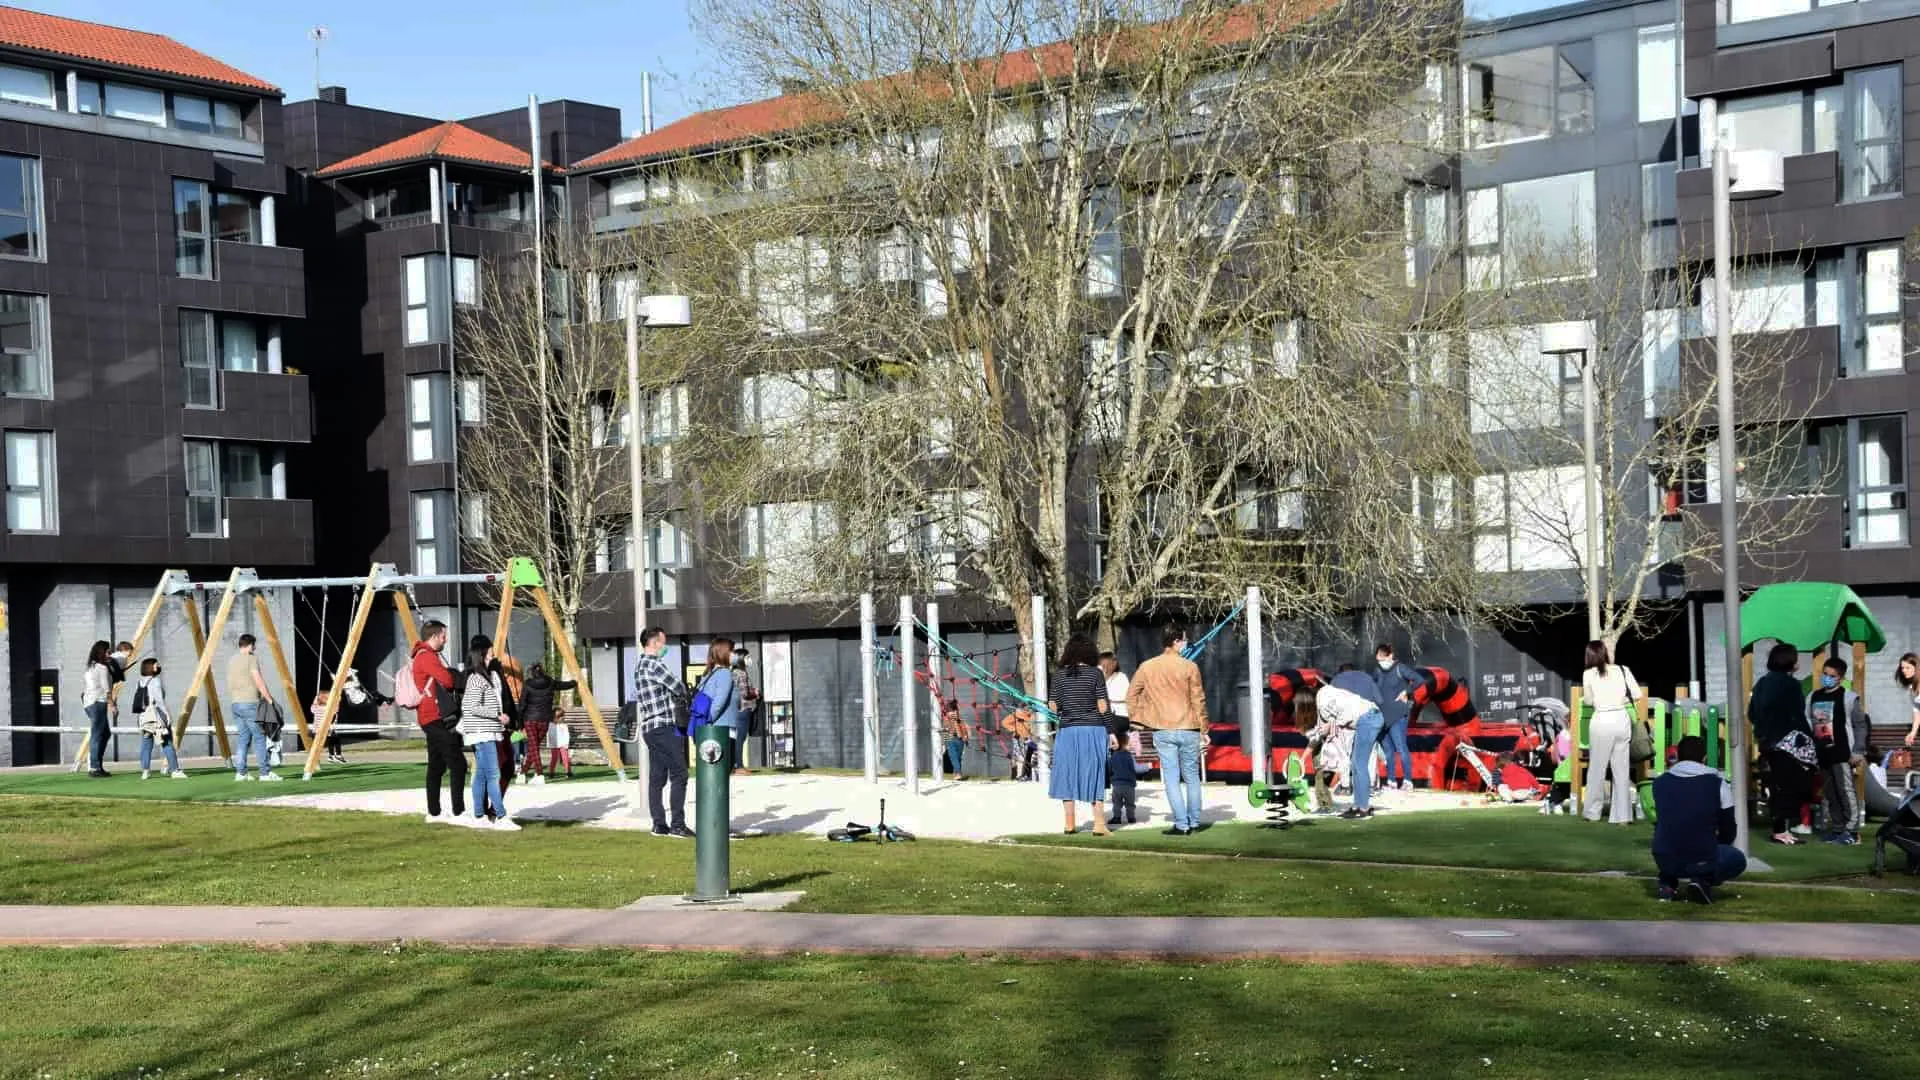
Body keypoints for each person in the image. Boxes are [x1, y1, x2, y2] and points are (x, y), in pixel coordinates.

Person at [1128, 625, 1209, 836]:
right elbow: (1198, 700)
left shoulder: (1148, 667)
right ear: (1175, 641)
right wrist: (1204, 729)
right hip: (1189, 727)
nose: (1186, 644)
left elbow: (1132, 694)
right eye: (1184, 640)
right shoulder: (1190, 667)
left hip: (1162, 727)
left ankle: (1182, 824)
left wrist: (1138, 719)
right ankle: (1194, 821)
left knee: (1172, 778)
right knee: (1192, 776)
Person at [1650, 735, 1746, 903]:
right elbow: (1729, 829)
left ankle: (1666, 885)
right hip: (1702, 857)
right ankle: (1702, 881)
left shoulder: (1659, 784)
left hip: (1664, 858)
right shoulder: (1717, 784)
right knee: (1736, 858)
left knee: (1672, 839)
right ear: (1704, 758)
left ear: (1678, 756)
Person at [1750, 642, 1817, 845]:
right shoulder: (1792, 685)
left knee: (1777, 784)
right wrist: (1809, 738)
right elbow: (1797, 715)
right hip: (1787, 742)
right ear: (1790, 662)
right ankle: (1781, 830)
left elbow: (1752, 713)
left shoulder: (1761, 683)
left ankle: (1780, 828)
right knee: (1790, 785)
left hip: (1767, 741)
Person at [1047, 635, 1113, 836]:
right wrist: (1110, 729)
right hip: (1093, 729)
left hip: (1067, 731)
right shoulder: (1096, 674)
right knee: (1095, 774)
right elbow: (1102, 705)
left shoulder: (1058, 675)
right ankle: (1099, 825)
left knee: (1066, 774)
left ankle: (1069, 824)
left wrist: (1061, 710)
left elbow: (1053, 705)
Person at [634, 626, 693, 838]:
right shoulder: (654, 664)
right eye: (663, 642)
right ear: (654, 643)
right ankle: (678, 824)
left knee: (657, 778)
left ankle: (659, 824)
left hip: (650, 729)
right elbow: (679, 686)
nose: (665, 647)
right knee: (680, 773)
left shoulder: (639, 665)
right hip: (664, 726)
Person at [1580, 640, 1642, 825]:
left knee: (1597, 768)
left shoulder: (1588, 674)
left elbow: (1589, 700)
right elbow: (1637, 694)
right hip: (1621, 719)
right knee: (1621, 769)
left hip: (1602, 720)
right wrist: (1621, 700)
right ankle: (1623, 816)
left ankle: (1593, 812)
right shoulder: (1622, 669)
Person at [1808, 656, 1868, 845]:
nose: (1826, 678)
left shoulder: (1849, 698)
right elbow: (1808, 721)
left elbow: (1860, 725)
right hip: (1822, 753)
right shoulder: (1813, 697)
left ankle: (1852, 831)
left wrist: (1858, 750)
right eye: (1824, 674)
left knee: (1845, 790)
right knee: (1830, 792)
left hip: (1843, 753)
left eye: (1831, 676)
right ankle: (1837, 828)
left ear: (1840, 678)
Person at [408, 621, 464, 823]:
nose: (445, 639)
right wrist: (450, 673)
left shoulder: (420, 656)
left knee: (436, 766)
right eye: (443, 636)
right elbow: (448, 681)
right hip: (436, 716)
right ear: (433, 637)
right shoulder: (428, 658)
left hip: (428, 716)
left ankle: (434, 812)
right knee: (458, 764)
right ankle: (458, 811)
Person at [458, 638, 516, 830]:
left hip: (487, 730)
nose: (493, 656)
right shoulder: (476, 678)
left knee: (482, 775)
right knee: (493, 774)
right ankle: (500, 815)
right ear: (482, 655)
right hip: (483, 732)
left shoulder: (488, 676)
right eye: (490, 653)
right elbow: (471, 706)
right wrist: (498, 716)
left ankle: (479, 815)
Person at [225, 634, 280, 782]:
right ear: (250, 645)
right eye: (253, 645)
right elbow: (258, 679)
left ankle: (241, 773)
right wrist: (269, 698)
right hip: (250, 702)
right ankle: (265, 773)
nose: (255, 648)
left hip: (235, 703)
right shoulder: (251, 658)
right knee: (259, 738)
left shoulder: (232, 660)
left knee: (243, 738)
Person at [1295, 687, 1350, 816]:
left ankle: (1325, 804)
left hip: (1324, 750)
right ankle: (1326, 802)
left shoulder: (1319, 717)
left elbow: (1314, 741)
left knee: (1320, 778)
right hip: (1322, 750)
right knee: (1320, 776)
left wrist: (1302, 758)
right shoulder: (1315, 716)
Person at [1372, 644, 1419, 792]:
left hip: (1398, 715)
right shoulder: (1377, 670)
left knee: (1401, 747)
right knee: (1387, 750)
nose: (1381, 660)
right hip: (1382, 715)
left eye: (1383, 657)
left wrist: (1406, 691)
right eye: (1379, 657)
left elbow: (1419, 679)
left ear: (1390, 656)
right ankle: (1391, 780)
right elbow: (1372, 686)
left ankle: (1408, 781)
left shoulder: (1400, 668)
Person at [518, 663, 575, 785]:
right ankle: (522, 774)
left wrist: (519, 724)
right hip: (544, 720)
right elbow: (563, 685)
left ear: (532, 673)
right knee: (534, 748)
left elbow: (522, 705)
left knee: (533, 747)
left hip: (530, 719)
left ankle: (539, 774)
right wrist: (575, 682)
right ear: (543, 672)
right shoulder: (550, 682)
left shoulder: (527, 684)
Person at [697, 639, 746, 774]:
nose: (734, 655)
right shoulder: (724, 674)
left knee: (717, 774)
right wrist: (709, 720)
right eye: (731, 651)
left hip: (714, 730)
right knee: (722, 775)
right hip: (723, 731)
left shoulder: (709, 673)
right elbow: (719, 703)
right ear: (723, 653)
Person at [132, 658, 185, 780]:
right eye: (156, 665)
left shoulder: (140, 681)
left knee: (146, 744)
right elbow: (159, 701)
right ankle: (175, 770)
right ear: (151, 667)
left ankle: (145, 771)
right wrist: (167, 716)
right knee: (166, 742)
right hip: (156, 716)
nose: (158, 666)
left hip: (144, 717)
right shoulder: (155, 681)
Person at [80, 641, 115, 778]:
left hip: (89, 703)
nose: (110, 655)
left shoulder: (91, 667)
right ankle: (94, 767)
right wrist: (112, 705)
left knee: (105, 733)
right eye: (108, 652)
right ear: (102, 652)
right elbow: (106, 690)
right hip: (98, 703)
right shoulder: (102, 668)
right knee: (97, 735)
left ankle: (97, 765)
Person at [1106, 734, 1138, 826]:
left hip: (1117, 785)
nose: (1130, 746)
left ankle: (1117, 817)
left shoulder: (1113, 756)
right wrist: (1133, 781)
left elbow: (1109, 769)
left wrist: (1111, 778)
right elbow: (1133, 770)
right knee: (1130, 803)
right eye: (1129, 744)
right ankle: (1131, 817)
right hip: (1129, 785)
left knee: (1116, 803)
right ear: (1124, 744)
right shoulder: (1129, 756)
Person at [1894, 652, 1920, 748]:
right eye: (1902, 668)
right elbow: (1917, 712)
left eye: (1908, 667)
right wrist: (1912, 733)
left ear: (1916, 668)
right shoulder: (1912, 687)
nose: (1904, 670)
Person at [1100, 652, 1130, 727]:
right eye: (1102, 665)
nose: (1104, 668)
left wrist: (1108, 700)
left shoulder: (1121, 677)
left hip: (1119, 715)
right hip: (1103, 715)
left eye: (1107, 665)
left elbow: (1125, 697)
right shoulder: (1098, 678)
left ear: (1114, 664)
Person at [941, 700, 968, 778]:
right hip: (950, 739)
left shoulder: (960, 720)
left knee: (958, 757)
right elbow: (944, 731)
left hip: (960, 740)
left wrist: (965, 737)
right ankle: (959, 773)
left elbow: (964, 728)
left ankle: (956, 772)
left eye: (954, 711)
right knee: (953, 756)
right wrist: (943, 744)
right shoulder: (946, 720)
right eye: (950, 711)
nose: (953, 713)